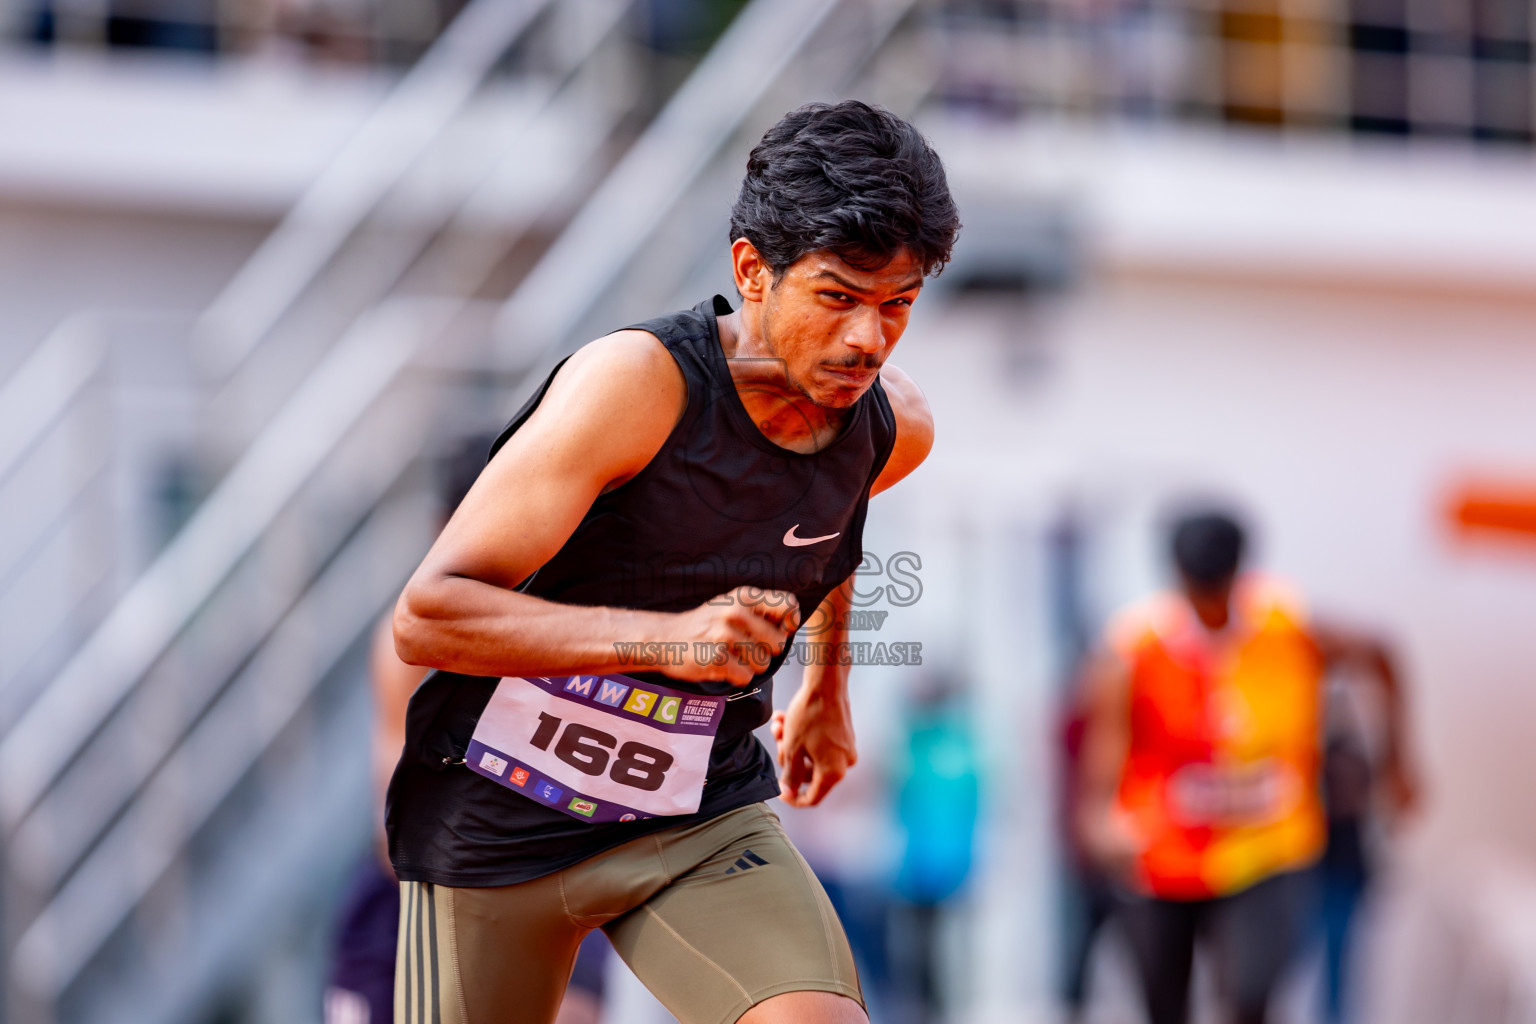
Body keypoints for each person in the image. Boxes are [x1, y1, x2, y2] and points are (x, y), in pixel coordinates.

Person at [384, 100, 959, 1024]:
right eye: (838, 298)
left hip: (694, 815)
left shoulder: (892, 429)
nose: (867, 340)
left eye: (897, 305)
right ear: (752, 272)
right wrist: (667, 639)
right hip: (497, 816)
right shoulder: (636, 386)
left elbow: (832, 529)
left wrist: (826, 689)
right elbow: (429, 615)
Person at [1076, 510, 1417, 1024]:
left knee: (1250, 997)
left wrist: (1397, 764)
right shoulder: (1137, 646)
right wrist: (1100, 819)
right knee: (1164, 1003)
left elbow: (1382, 655)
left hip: (1266, 848)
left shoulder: (1289, 631)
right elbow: (1106, 749)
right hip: (1162, 851)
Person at [324, 441, 613, 1024]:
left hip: (552, 886)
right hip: (415, 900)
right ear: (445, 531)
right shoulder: (413, 639)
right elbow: (396, 827)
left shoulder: (582, 627)